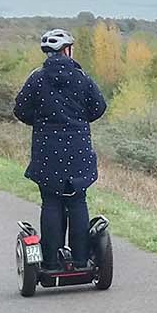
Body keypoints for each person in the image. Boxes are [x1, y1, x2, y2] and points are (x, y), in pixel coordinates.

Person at [13, 29, 107, 270]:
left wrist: (43, 122)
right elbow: (99, 107)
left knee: (51, 201)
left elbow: (21, 110)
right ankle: (80, 259)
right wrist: (77, 120)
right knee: (78, 200)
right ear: (68, 50)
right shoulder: (82, 77)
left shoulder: (37, 78)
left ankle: (52, 263)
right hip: (78, 147)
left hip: (46, 149)